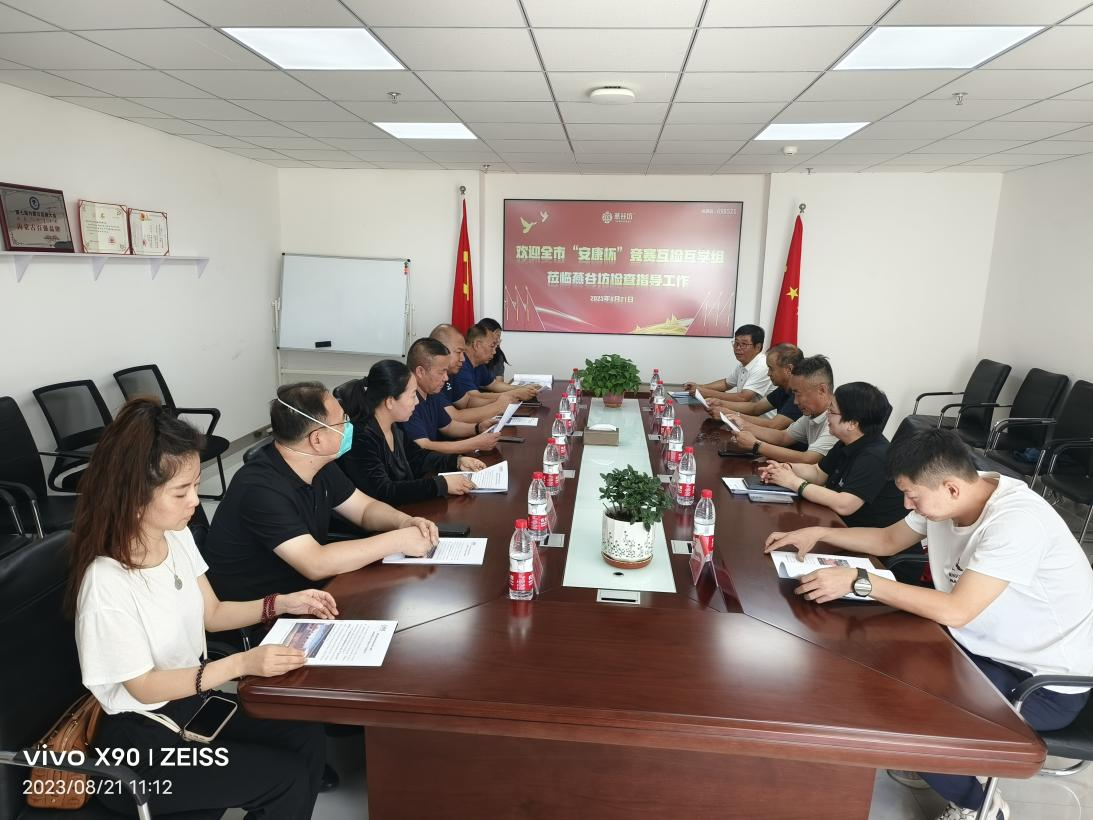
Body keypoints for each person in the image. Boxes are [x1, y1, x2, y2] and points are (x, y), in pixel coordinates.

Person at [764, 429, 1093, 820]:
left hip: (1040, 682)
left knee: (911, 717)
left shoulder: (1016, 523)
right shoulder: (952, 494)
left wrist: (861, 582)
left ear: (951, 488)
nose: (908, 505)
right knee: (876, 657)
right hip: (979, 646)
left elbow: (957, 611)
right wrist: (819, 532)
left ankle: (980, 807)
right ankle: (933, 759)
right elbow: (888, 540)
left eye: (912, 496)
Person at [72, 398, 336, 818]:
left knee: (303, 732)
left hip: (190, 704)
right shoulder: (106, 583)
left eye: (196, 485)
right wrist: (241, 664)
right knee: (282, 778)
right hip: (139, 744)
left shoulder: (174, 536)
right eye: (181, 491)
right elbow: (143, 687)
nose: (195, 501)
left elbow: (212, 614)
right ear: (135, 496)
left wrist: (281, 603)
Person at [203, 382, 438, 603]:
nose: (349, 425)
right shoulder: (259, 489)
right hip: (264, 610)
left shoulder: (319, 463)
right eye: (342, 421)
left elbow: (364, 509)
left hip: (306, 594)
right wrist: (397, 541)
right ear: (317, 439)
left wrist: (403, 521)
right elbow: (315, 563)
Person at [338, 359, 486, 505]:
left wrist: (457, 461)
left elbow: (419, 457)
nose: (416, 401)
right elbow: (384, 491)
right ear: (390, 401)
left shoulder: (393, 427)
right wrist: (441, 484)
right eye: (412, 395)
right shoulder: (360, 438)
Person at [757, 382, 904, 528]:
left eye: (832, 412)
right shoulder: (846, 442)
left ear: (852, 424)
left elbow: (844, 505)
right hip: (838, 523)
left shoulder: (876, 456)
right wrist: (786, 468)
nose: (827, 415)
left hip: (865, 536)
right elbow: (818, 472)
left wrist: (793, 482)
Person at [728, 355, 837, 464]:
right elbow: (783, 437)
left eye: (799, 394)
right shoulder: (812, 414)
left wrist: (756, 445)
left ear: (822, 390)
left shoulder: (837, 419)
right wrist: (744, 425)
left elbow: (808, 459)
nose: (795, 402)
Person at [404, 336, 504, 455]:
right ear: (420, 372)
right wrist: (473, 444)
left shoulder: (431, 392)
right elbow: (423, 445)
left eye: (446, 372)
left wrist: (477, 428)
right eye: (441, 372)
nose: (446, 378)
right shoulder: (406, 400)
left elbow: (448, 426)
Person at [430, 323, 523, 418]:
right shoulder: (440, 377)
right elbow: (454, 417)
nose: (463, 358)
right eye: (458, 352)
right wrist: (498, 406)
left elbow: (467, 401)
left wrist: (503, 401)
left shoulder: (451, 374)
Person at [709, 342, 803, 429]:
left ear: (789, 369)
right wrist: (721, 403)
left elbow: (774, 425)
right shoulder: (783, 389)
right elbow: (755, 408)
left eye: (771, 369)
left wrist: (730, 414)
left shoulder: (800, 394)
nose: (768, 374)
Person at [683, 324, 772, 403]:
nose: (738, 348)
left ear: (758, 347)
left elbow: (743, 398)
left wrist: (706, 393)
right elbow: (726, 384)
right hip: (745, 413)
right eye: (736, 343)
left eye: (744, 344)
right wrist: (700, 387)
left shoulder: (763, 366)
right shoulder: (743, 364)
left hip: (761, 416)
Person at [451, 324, 538, 404]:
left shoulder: (478, 363)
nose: (494, 352)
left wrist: (523, 388)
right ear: (477, 345)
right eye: (492, 346)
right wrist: (515, 394)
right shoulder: (460, 364)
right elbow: (473, 397)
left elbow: (493, 384)